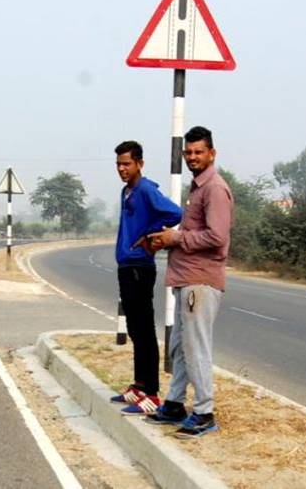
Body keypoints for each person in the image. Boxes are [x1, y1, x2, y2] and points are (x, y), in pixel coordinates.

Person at [146, 126, 234, 439]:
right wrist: (166, 240)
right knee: (181, 346)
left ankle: (204, 412)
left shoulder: (214, 189)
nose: (193, 157)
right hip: (186, 277)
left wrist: (177, 237)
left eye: (199, 152)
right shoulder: (198, 188)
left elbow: (217, 237)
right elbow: (194, 234)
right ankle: (173, 404)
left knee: (196, 346)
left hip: (200, 280)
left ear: (212, 153)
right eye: (189, 152)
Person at [110, 140, 182, 415]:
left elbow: (175, 213)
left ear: (139, 163)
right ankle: (139, 385)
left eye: (127, 163)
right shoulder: (126, 191)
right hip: (126, 266)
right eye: (118, 164)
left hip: (140, 266)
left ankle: (151, 393)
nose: (122, 169)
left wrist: (150, 235)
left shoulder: (146, 189)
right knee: (134, 329)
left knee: (144, 330)